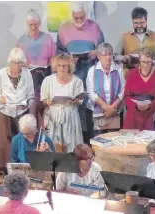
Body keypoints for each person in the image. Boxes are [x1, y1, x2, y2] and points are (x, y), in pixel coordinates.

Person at [56, 2, 104, 143]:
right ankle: (75, 144)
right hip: (71, 76)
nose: (79, 20)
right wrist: (68, 58)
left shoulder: (95, 28)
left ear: (86, 15)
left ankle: (89, 142)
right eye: (76, 17)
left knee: (89, 110)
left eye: (81, 17)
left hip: (91, 75)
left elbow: (103, 50)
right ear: (72, 15)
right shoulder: (64, 29)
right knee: (74, 109)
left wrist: (96, 53)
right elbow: (59, 53)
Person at [0, 48, 35, 167]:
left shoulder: (27, 73)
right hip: (5, 112)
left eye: (19, 63)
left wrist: (26, 104)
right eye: (14, 62)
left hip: (22, 112)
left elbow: (31, 95)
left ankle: (23, 166)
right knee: (4, 142)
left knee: (22, 140)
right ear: (10, 61)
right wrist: (0, 98)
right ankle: (5, 167)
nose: (16, 65)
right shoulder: (2, 73)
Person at [17, 9, 55, 127]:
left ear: (40, 24)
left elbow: (53, 59)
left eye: (36, 24)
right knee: (31, 109)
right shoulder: (22, 40)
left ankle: (46, 134)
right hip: (28, 78)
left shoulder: (48, 38)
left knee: (46, 108)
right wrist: (23, 64)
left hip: (45, 76)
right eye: (31, 25)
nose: (33, 27)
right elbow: (17, 60)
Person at [40, 53, 84, 153]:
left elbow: (80, 100)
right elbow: (43, 101)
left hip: (70, 116)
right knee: (54, 145)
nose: (61, 68)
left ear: (69, 66)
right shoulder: (48, 80)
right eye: (59, 65)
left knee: (71, 146)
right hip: (53, 116)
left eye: (64, 65)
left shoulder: (77, 81)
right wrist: (47, 101)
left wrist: (74, 100)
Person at [114, 7, 155, 78]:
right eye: (136, 23)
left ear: (146, 21)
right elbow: (115, 56)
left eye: (141, 23)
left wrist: (150, 63)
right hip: (130, 76)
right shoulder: (124, 37)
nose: (139, 26)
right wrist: (124, 58)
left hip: (151, 77)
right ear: (132, 21)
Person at [123, 48, 155, 130]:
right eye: (143, 62)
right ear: (139, 60)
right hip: (134, 116)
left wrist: (150, 106)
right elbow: (126, 96)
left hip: (153, 115)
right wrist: (135, 105)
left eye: (148, 62)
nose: (145, 65)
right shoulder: (131, 74)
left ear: (152, 61)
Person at [86, 43, 126, 135]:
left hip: (115, 110)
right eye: (104, 55)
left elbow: (123, 90)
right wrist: (106, 108)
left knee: (115, 139)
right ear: (98, 56)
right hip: (98, 112)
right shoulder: (92, 70)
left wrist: (112, 108)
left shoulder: (119, 69)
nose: (108, 58)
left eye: (110, 54)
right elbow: (91, 93)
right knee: (99, 141)